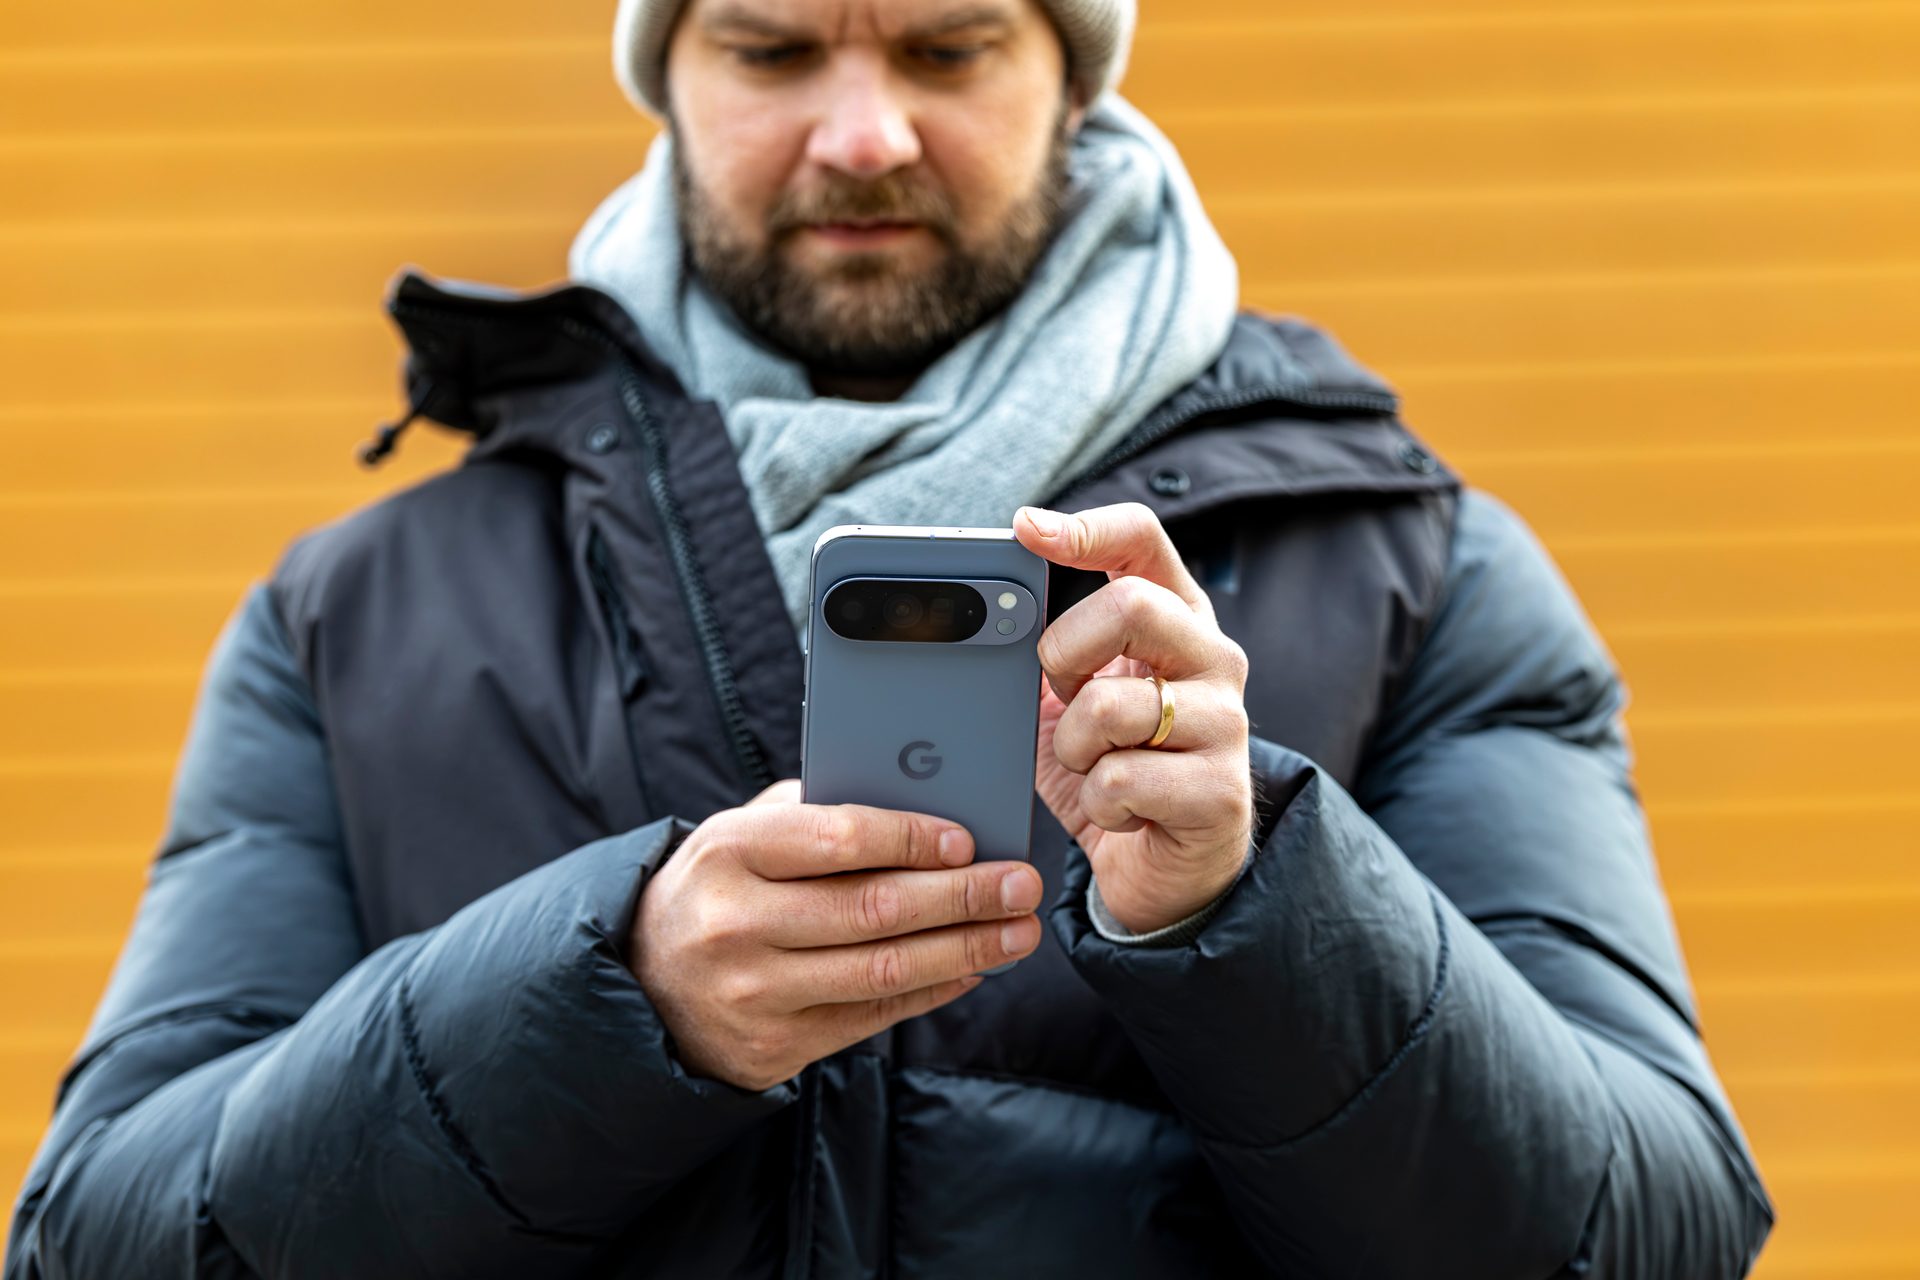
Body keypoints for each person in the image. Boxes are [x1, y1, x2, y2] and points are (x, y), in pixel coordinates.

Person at [5, 0, 1775, 1274]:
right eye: (773, 49)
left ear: (1070, 75)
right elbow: (104, 1234)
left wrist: (1263, 916)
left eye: (948, 47)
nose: (864, 135)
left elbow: (1652, 1229)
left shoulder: (1419, 574)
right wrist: (612, 996)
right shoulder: (354, 615)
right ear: (669, 78)